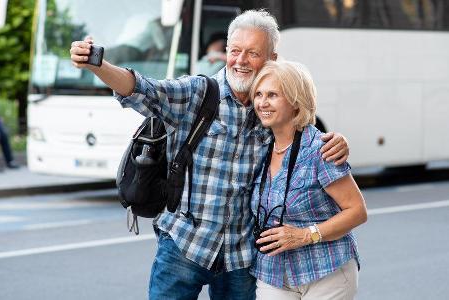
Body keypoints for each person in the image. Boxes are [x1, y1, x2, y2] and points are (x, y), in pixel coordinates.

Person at [70, 9, 350, 300]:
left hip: (241, 255)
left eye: (252, 53)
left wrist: (339, 141)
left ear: (271, 60)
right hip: (184, 244)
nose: (240, 61)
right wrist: (99, 66)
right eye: (235, 51)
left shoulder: (270, 107)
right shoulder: (197, 93)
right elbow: (143, 88)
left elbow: (305, 136)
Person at [250, 60, 367, 299]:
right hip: (273, 273)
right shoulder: (258, 146)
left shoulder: (320, 149)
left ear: (295, 102)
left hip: (326, 271)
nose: (262, 103)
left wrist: (304, 235)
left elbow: (357, 211)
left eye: (272, 95)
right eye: (259, 94)